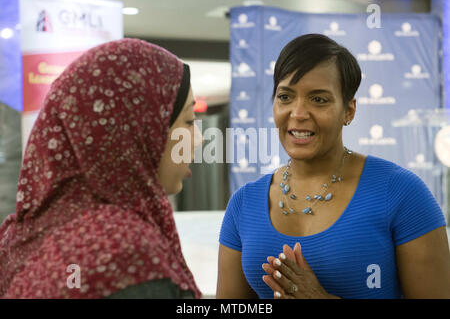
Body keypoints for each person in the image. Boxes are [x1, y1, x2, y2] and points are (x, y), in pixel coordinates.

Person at [217, 34, 450, 299]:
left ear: (348, 111)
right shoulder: (244, 204)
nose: (298, 113)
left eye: (319, 100)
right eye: (285, 96)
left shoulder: (401, 193)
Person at [0, 38, 203, 298]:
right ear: (135, 131)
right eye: (187, 120)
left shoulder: (17, 240)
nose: (198, 139)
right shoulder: (125, 257)